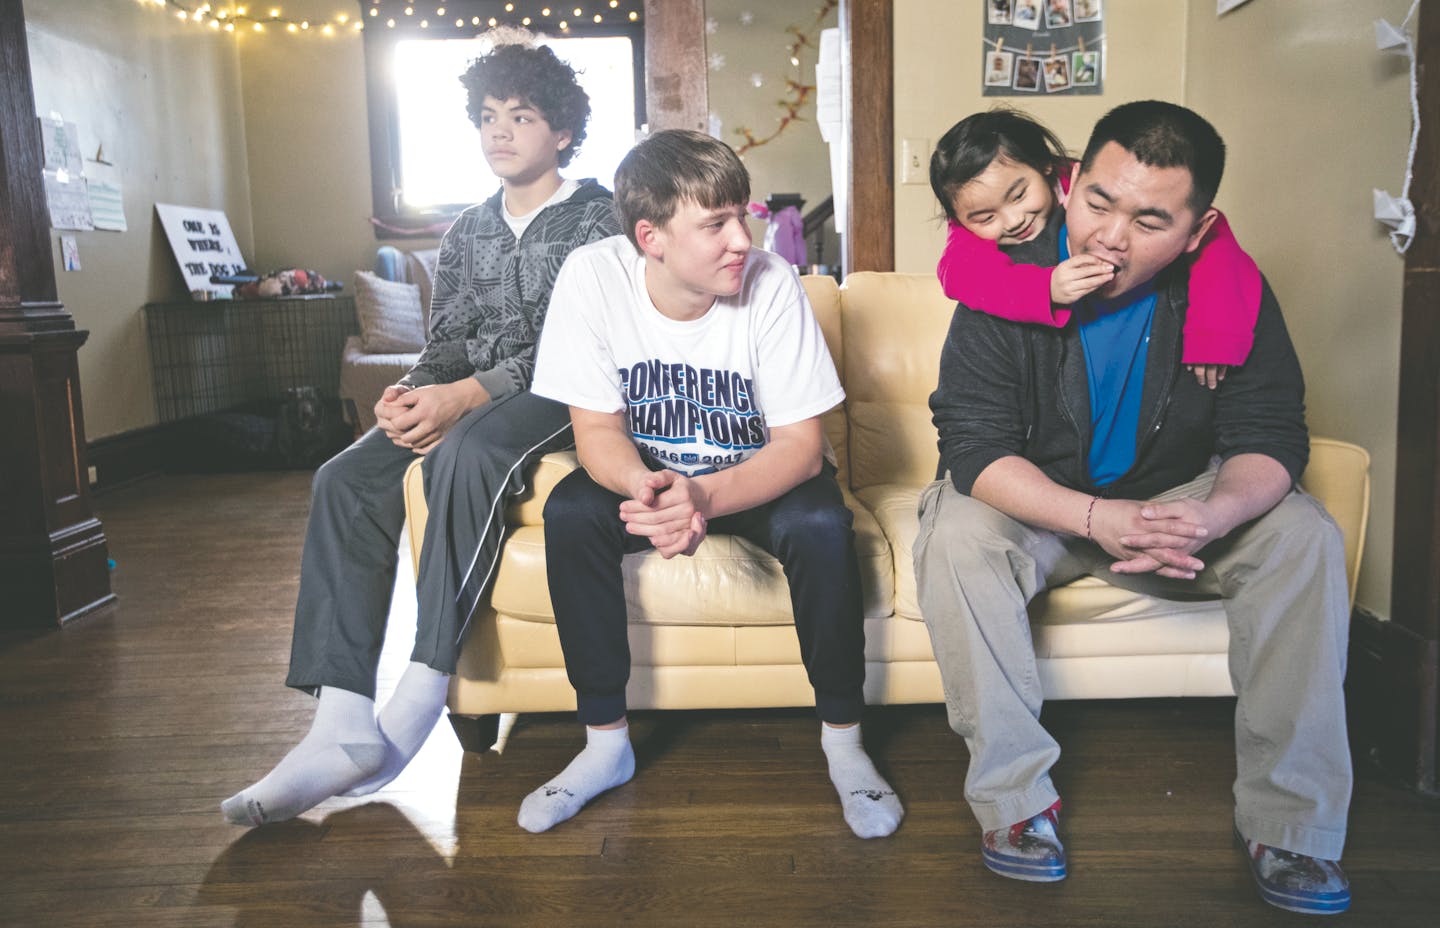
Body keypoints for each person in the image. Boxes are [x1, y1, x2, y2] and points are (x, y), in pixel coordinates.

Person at [914, 101, 1353, 915]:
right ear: (1070, 182)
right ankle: (1016, 807)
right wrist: (1092, 519)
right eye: (1098, 203)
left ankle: (1294, 826)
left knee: (1302, 533)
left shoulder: (1227, 287)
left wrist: (1215, 515)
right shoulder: (1005, 277)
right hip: (1041, 498)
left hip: (1178, 496)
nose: (1111, 237)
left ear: (1196, 230)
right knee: (958, 534)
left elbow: (1271, 435)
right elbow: (972, 445)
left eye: (1149, 219)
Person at [221, 38, 621, 827]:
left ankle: (423, 689)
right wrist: (409, 391)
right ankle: (339, 720)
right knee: (344, 479)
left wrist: (468, 396)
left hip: (560, 395)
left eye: (521, 116)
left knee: (463, 455)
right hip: (468, 392)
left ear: (563, 132)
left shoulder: (599, 216)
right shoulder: (469, 228)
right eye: (487, 116)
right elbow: (449, 337)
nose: (499, 130)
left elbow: (578, 342)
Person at [520, 129, 904, 840]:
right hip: (655, 477)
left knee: (822, 525)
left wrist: (702, 498)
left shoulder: (772, 282)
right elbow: (596, 433)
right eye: (716, 223)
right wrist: (648, 488)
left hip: (760, 478)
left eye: (743, 215)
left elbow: (800, 446)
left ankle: (845, 745)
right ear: (651, 237)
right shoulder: (592, 277)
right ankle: (605, 746)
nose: (742, 239)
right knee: (571, 508)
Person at [930, 108, 1261, 390]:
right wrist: (1043, 289)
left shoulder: (1095, 177)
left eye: (1018, 196)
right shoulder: (967, 226)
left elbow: (1217, 244)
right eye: (986, 217)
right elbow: (958, 272)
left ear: (1046, 167)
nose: (1014, 220)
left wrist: (1215, 331)